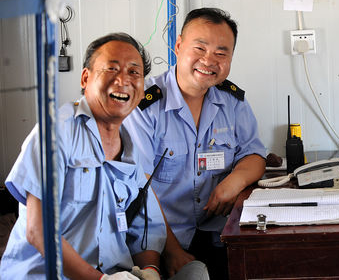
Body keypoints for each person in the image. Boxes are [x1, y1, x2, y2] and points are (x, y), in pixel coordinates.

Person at [0, 33, 208, 280]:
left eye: (134, 73)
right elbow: (38, 231)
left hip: (113, 273)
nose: (123, 80)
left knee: (196, 272)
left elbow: (146, 230)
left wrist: (149, 271)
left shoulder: (132, 151)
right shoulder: (57, 132)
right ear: (86, 78)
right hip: (46, 275)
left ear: (142, 90)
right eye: (112, 69)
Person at [124, 8, 267, 279]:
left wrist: (233, 182)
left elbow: (254, 155)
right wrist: (172, 251)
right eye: (199, 48)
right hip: (157, 242)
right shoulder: (145, 107)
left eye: (221, 53)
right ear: (178, 46)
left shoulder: (233, 103)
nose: (209, 60)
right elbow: (138, 186)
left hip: (220, 235)